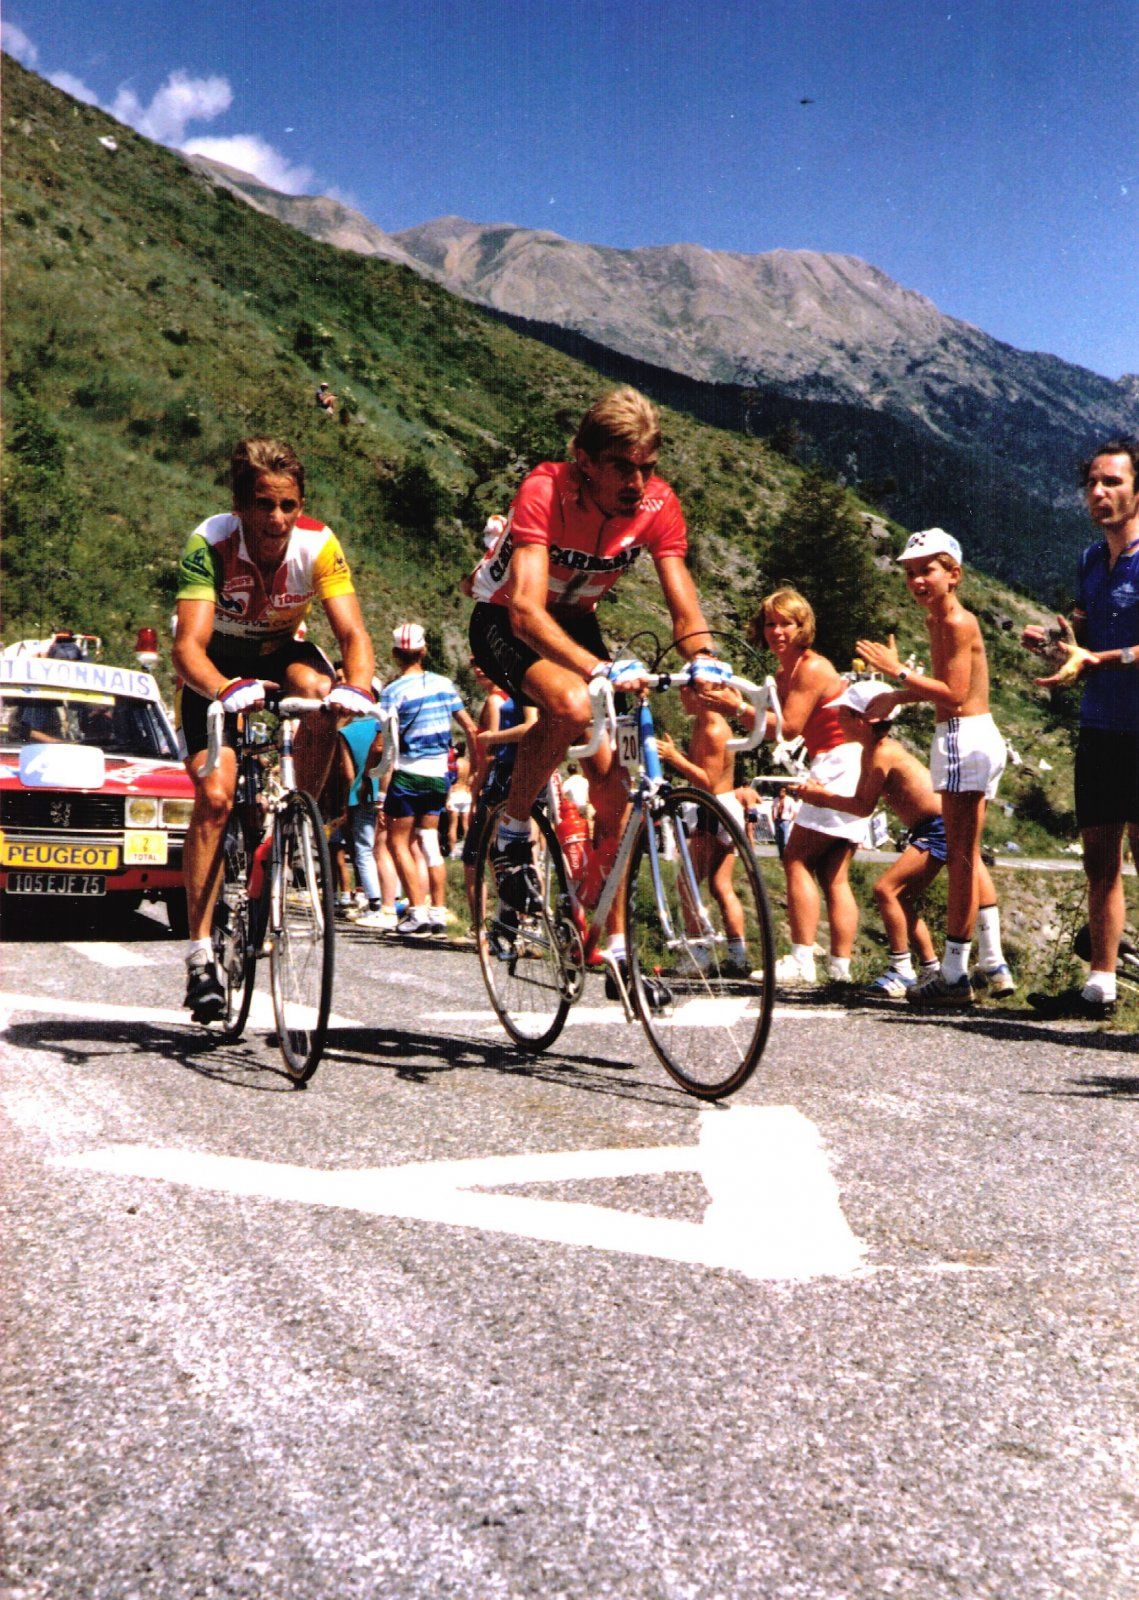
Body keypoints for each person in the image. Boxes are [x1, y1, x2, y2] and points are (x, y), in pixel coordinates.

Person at [466, 386, 728, 997]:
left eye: (648, 467)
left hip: (577, 624)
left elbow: (682, 604)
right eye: (621, 466)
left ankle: (613, 949)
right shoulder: (546, 488)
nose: (638, 482)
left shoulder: (658, 504)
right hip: (507, 619)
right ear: (584, 458)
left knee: (619, 791)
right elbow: (528, 609)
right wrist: (596, 669)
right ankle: (510, 835)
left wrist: (706, 661)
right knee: (572, 704)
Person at [173, 436, 376, 1020]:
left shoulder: (318, 543)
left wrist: (356, 686)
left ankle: (292, 825)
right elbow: (187, 646)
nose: (277, 518)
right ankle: (199, 956)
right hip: (214, 664)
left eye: (288, 504)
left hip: (281, 651)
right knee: (214, 798)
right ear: (240, 505)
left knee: (322, 695)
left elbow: (353, 636)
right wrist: (223, 689)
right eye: (264, 504)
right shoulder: (210, 541)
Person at [856, 528, 1006, 1009]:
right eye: (911, 572)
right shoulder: (938, 620)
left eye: (927, 570)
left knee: (962, 860)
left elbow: (956, 694)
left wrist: (898, 673)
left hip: (965, 736)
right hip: (962, 737)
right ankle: (982, 964)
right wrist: (899, 692)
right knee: (966, 856)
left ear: (954, 574)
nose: (917, 579)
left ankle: (957, 973)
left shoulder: (958, 622)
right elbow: (943, 685)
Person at [795, 680, 1014, 998]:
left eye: (842, 713)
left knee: (887, 890)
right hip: (931, 827)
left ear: (861, 720)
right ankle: (929, 968)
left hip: (937, 826)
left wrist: (820, 797)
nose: (836, 719)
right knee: (900, 896)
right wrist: (821, 797)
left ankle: (902, 970)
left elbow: (862, 807)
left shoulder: (881, 754)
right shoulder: (873, 751)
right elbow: (861, 805)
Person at [1024, 438, 1139, 1019]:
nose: (1100, 492)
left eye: (1113, 482)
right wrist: (1056, 646)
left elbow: (1111, 651)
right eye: (1093, 483)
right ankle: (1101, 986)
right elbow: (1082, 637)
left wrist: (1104, 659)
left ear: (1137, 490)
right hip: (1100, 726)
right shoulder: (1092, 560)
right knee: (1099, 861)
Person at [749, 587, 866, 986]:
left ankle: (802, 959)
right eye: (770, 623)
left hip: (838, 760)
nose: (777, 631)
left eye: (787, 623)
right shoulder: (788, 672)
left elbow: (788, 728)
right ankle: (840, 969)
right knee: (834, 873)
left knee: (796, 857)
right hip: (845, 761)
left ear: (803, 627)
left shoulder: (811, 668)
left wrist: (734, 707)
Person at [379, 623, 479, 936]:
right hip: (439, 775)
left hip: (408, 772)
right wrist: (475, 768)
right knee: (429, 842)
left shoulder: (391, 692)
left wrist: (378, 784)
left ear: (395, 654)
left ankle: (416, 910)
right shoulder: (444, 684)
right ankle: (438, 910)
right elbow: (470, 728)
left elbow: (385, 745)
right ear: (424, 651)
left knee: (398, 843)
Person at [655, 681, 751, 976]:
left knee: (687, 883)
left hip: (711, 805)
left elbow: (708, 780)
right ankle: (737, 955)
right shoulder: (708, 722)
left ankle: (698, 955)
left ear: (699, 693)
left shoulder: (711, 728)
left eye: (685, 690)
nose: (680, 695)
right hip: (723, 807)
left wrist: (674, 759)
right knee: (721, 886)